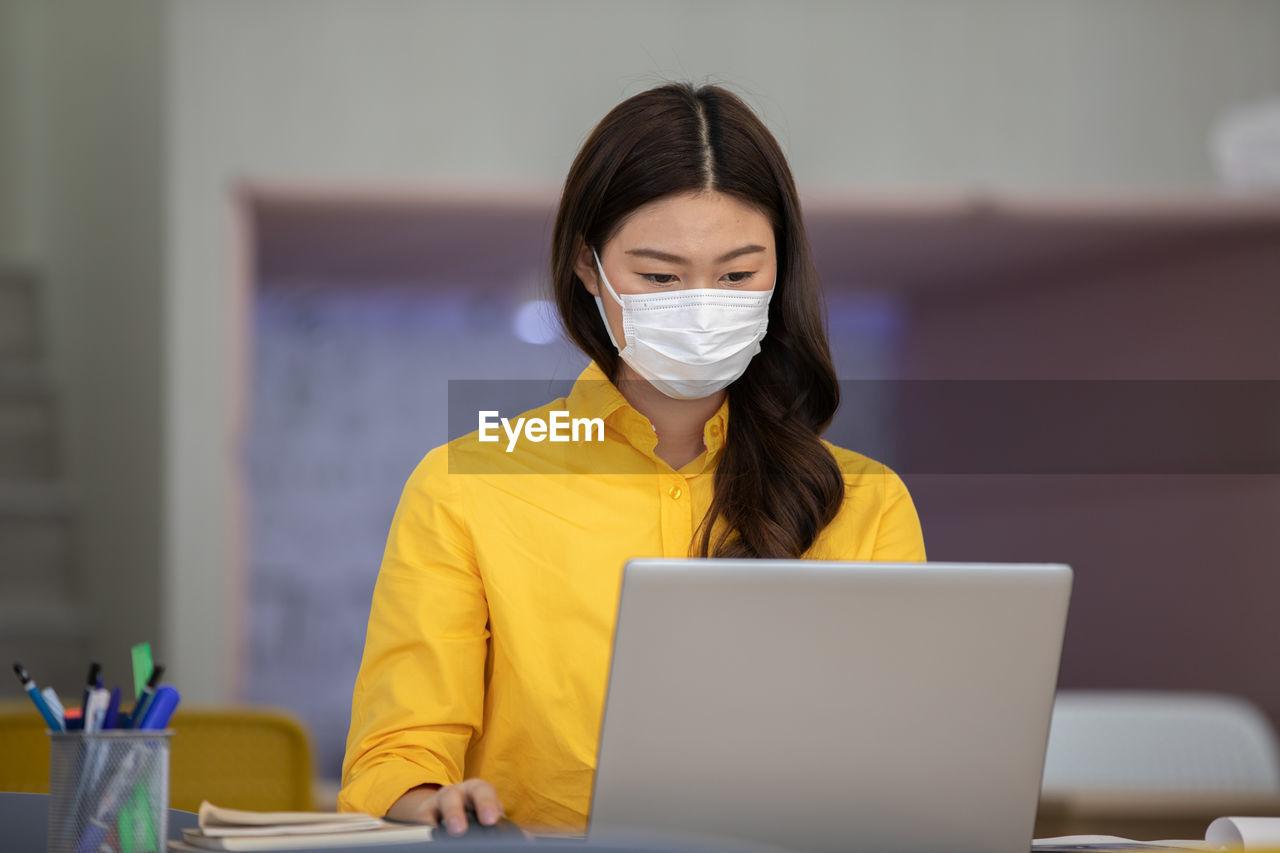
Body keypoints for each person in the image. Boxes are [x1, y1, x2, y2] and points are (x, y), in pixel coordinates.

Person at [337, 82, 926, 836]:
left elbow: (902, 758)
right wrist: (434, 801)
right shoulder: (466, 486)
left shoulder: (867, 502)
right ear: (589, 268)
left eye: (739, 274)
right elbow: (397, 753)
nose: (702, 302)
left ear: (782, 271)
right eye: (658, 276)